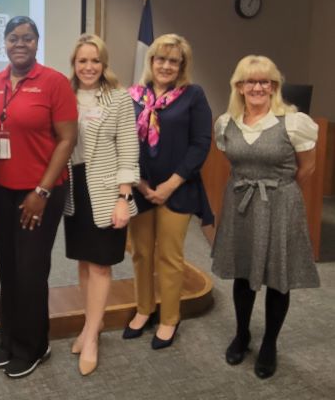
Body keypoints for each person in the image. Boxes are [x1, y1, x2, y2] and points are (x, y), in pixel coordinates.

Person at [0, 16, 78, 378]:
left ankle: (34, 346)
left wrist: (41, 190)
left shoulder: (53, 82)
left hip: (40, 191)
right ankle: (10, 338)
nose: (19, 43)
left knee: (31, 269)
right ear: (4, 43)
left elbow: (67, 140)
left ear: (37, 42)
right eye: (12, 38)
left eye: (27, 37)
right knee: (8, 267)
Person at [211, 56, 319, 379]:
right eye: (250, 81)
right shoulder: (225, 123)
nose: (258, 87)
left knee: (278, 277)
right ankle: (242, 334)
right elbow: (232, 159)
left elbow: (308, 167)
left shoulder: (294, 122)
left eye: (265, 81)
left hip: (280, 205)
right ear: (239, 87)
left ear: (274, 87)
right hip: (240, 203)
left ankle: (270, 343)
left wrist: (278, 192)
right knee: (243, 273)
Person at [124, 33, 213, 349]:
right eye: (160, 59)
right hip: (140, 188)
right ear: (150, 62)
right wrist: (141, 183)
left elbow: (201, 143)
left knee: (169, 256)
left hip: (179, 189)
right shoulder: (132, 96)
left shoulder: (193, 96)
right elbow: (124, 141)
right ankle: (144, 309)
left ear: (182, 65)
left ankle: (169, 318)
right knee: (140, 252)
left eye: (173, 60)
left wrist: (171, 184)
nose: (165, 65)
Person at [62, 33, 139, 375]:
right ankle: (87, 324)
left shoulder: (119, 99)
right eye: (82, 61)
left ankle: (92, 335)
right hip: (73, 189)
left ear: (104, 64)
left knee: (101, 266)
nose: (89, 67)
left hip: (107, 190)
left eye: (95, 60)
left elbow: (128, 150)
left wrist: (124, 198)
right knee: (83, 262)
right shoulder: (63, 95)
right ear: (74, 64)